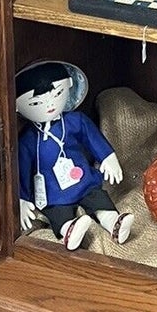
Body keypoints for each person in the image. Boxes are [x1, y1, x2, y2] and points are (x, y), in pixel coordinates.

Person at [15, 60, 134, 250]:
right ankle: (69, 230)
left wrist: (107, 157)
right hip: (52, 191)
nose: (49, 105)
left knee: (98, 198)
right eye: (36, 103)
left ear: (70, 85)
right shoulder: (28, 140)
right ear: (17, 107)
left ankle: (113, 222)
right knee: (58, 213)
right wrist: (23, 198)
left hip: (83, 180)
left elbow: (92, 138)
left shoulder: (74, 121)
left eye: (57, 94)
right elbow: (23, 169)